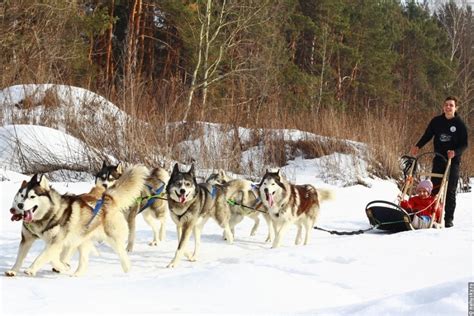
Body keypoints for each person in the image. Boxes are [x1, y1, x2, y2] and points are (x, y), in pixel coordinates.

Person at [410, 96, 468, 228]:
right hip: (438, 158)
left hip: (452, 161)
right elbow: (427, 135)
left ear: (455, 108)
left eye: (451, 105)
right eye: (446, 105)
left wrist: (455, 152)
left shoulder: (460, 124)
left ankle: (448, 218)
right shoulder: (436, 121)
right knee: (433, 188)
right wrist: (418, 146)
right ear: (443, 106)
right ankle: (431, 214)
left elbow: (464, 144)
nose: (448, 107)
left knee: (450, 191)